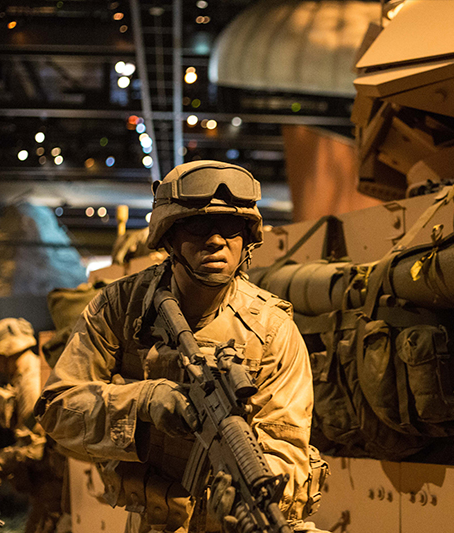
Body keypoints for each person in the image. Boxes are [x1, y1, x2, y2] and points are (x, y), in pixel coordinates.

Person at [35, 161, 324, 533]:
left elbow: (288, 441)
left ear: (247, 238)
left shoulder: (272, 329)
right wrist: (145, 400)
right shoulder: (122, 306)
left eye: (232, 227)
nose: (217, 240)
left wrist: (250, 481)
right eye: (198, 225)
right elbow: (56, 408)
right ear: (169, 237)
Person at [0, 317, 67, 533]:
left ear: (6, 353)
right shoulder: (24, 378)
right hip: (44, 490)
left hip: (50, 488)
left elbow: (37, 447)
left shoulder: (31, 382)